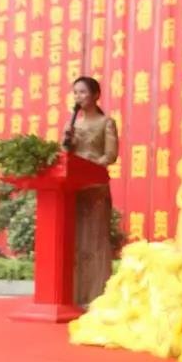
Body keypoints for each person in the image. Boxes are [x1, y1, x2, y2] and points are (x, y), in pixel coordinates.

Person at [63, 76, 119, 307]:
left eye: (83, 92)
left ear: (96, 95)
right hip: (75, 188)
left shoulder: (106, 122)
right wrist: (67, 140)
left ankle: (97, 297)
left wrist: (93, 166)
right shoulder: (73, 124)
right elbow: (65, 156)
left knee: (95, 241)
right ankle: (76, 295)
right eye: (75, 92)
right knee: (77, 241)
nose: (78, 97)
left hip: (95, 188)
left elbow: (110, 155)